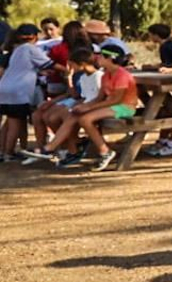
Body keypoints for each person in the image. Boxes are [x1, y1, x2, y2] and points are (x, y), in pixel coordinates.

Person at [22, 46, 141, 171]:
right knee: (75, 114)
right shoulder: (106, 75)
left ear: (110, 58)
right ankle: (51, 148)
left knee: (86, 119)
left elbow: (116, 100)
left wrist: (90, 107)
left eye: (101, 56)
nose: (97, 58)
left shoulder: (121, 75)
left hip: (125, 107)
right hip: (111, 105)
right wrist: (85, 106)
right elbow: (100, 97)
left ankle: (102, 150)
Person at [0, 24, 50, 160]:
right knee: (15, 122)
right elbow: (48, 64)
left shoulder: (13, 52)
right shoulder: (29, 49)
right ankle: (8, 153)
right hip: (19, 91)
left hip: (5, 89)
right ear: (33, 37)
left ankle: (4, 150)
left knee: (9, 122)